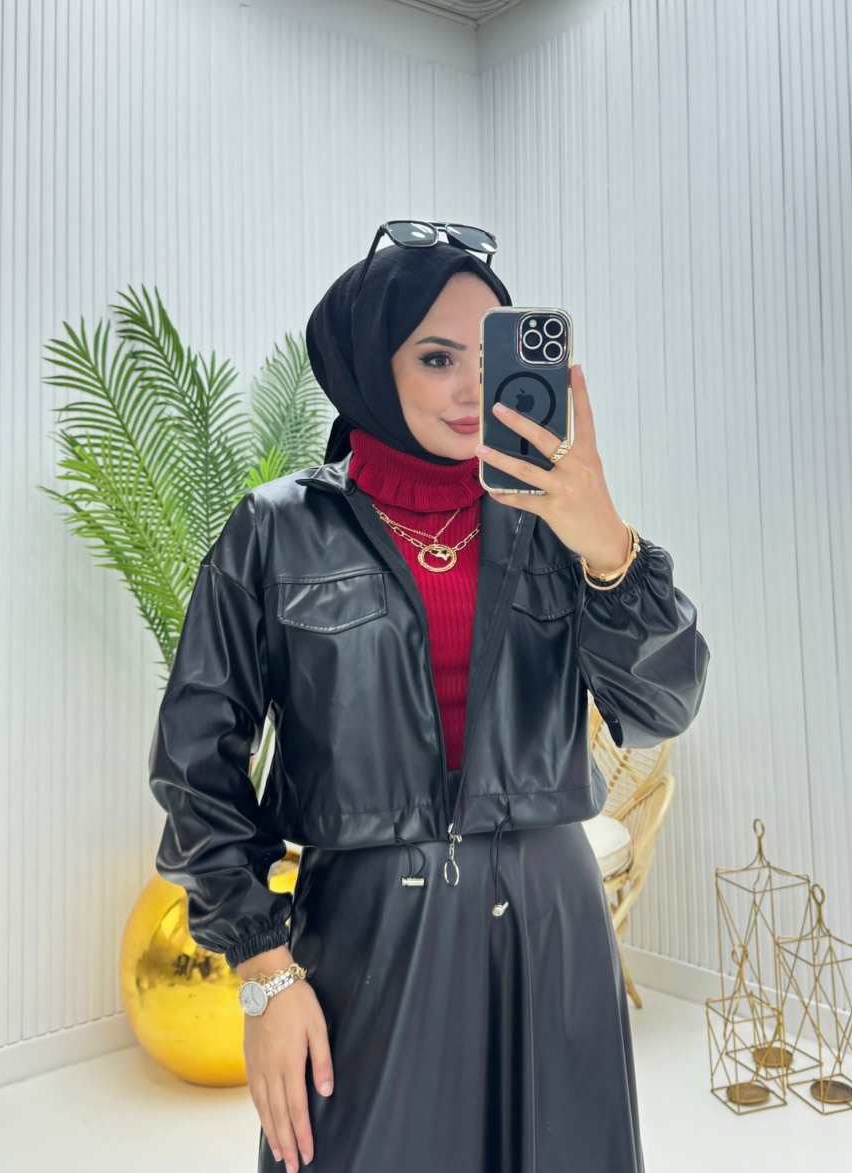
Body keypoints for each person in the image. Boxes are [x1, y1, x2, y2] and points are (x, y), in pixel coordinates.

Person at [148, 229, 710, 1173]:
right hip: (365, 934)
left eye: (489, 358)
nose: (469, 390)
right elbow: (194, 760)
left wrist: (609, 545)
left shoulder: (556, 524)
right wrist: (263, 973)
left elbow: (663, 707)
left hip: (553, 921)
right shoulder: (276, 530)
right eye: (437, 357)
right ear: (372, 364)